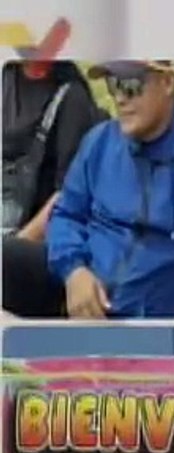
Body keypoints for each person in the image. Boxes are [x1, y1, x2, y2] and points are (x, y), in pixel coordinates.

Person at [35, 61, 174, 319]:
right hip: (77, 297)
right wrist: (74, 271)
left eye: (131, 85)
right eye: (113, 85)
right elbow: (65, 214)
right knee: (8, 260)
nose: (120, 98)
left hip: (140, 322)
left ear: (167, 83)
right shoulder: (99, 141)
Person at [2, 61, 105, 317]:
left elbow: (68, 198)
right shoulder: (6, 78)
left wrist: (16, 246)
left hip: (41, 244)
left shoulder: (72, 98)